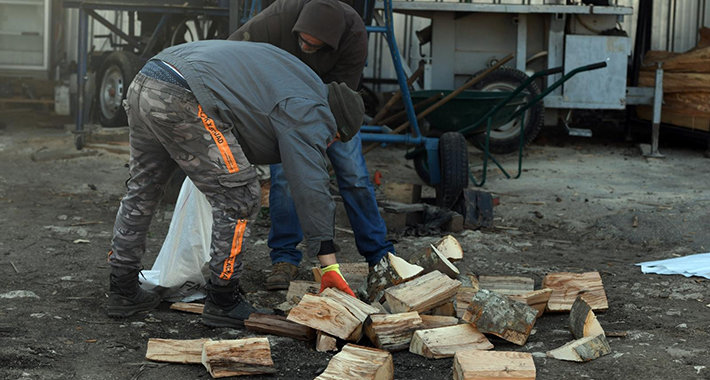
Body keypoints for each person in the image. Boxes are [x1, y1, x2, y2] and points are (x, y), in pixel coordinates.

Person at [107, 40, 364, 328]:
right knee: (239, 196)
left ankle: (123, 288)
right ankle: (223, 299)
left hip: (147, 79)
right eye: (333, 139)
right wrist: (328, 264)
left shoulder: (297, 76)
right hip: (184, 95)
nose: (327, 143)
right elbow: (310, 185)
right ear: (335, 123)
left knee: (143, 188)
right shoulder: (312, 109)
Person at [228, 0, 395, 290]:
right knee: (285, 180)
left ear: (331, 42)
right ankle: (284, 259)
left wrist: (329, 134)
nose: (306, 46)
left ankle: (379, 257)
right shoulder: (278, 17)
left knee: (353, 174)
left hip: (331, 104)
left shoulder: (353, 34)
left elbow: (344, 93)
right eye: (302, 41)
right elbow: (230, 51)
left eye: (314, 45)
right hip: (283, 106)